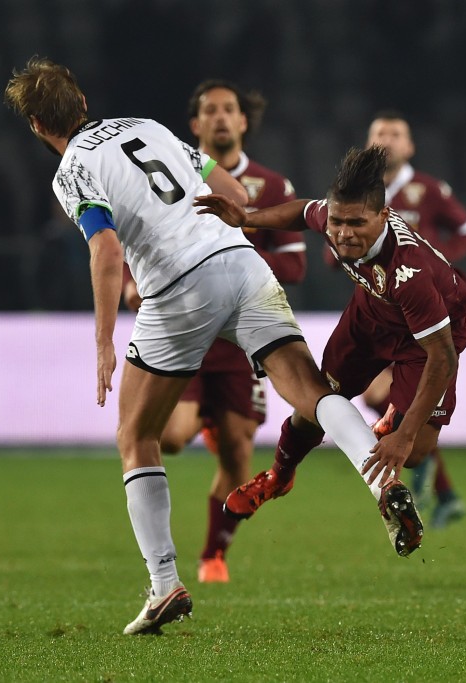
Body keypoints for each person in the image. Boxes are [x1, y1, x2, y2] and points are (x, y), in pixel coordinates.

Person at [4, 58, 421, 637]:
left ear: (35, 125)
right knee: (309, 390)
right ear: (81, 104)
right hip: (240, 261)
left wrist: (103, 341)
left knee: (136, 434)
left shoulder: (72, 169)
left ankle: (164, 583)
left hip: (176, 288)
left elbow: (104, 249)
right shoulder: (145, 127)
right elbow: (226, 188)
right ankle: (382, 481)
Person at [194, 145, 466, 539]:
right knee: (318, 400)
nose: (344, 233)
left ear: (384, 215)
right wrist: (248, 218)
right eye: (338, 222)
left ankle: (390, 425)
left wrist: (405, 434)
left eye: (357, 224)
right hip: (371, 317)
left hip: (427, 340)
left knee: (414, 453)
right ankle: (278, 476)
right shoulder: (334, 217)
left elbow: (442, 357)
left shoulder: (409, 273)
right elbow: (304, 210)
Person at [120, 80, 307, 584]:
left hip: (238, 334)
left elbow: (295, 267)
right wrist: (129, 284)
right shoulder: (168, 175)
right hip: (180, 323)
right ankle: (199, 419)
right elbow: (130, 236)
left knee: (238, 455)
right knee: (173, 436)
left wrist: (231, 260)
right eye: (210, 110)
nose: (221, 117)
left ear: (244, 121)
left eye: (230, 109)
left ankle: (212, 556)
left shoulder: (272, 187)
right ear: (195, 125)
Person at [337, 111, 466, 528]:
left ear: (410, 146)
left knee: (386, 397)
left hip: (422, 312)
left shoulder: (427, 189)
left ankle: (428, 474)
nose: (386, 140)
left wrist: (440, 263)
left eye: (395, 134)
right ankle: (437, 482)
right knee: (375, 396)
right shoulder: (361, 195)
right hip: (380, 311)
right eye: (378, 133)